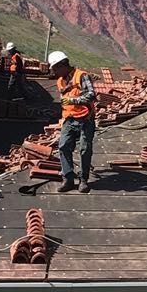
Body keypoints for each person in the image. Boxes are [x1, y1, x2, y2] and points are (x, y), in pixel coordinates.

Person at [47, 50, 95, 193]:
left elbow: (91, 95)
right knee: (63, 146)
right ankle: (67, 179)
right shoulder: (60, 81)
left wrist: (74, 100)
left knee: (85, 149)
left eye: (55, 68)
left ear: (63, 65)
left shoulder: (82, 76)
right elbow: (64, 100)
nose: (54, 72)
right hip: (69, 119)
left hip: (86, 118)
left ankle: (83, 180)